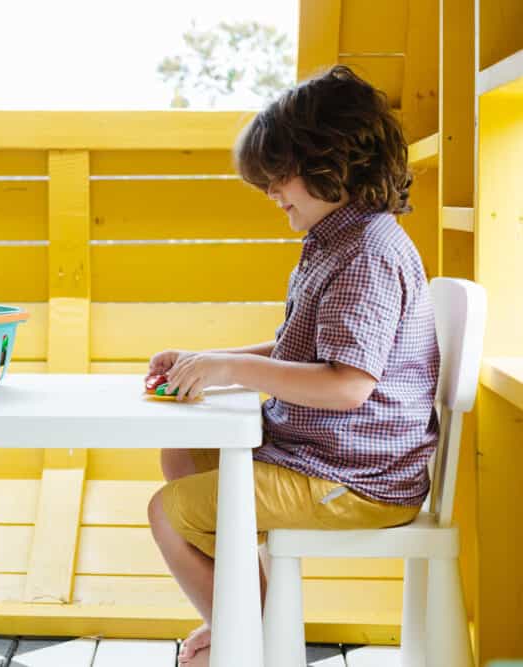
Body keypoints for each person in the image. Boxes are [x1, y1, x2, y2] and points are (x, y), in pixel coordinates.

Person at [147, 66, 438, 666]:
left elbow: (349, 385)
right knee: (182, 454)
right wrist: (211, 362)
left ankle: (245, 641)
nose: (272, 193)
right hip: (324, 455)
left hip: (356, 479)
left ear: (333, 164)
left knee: (168, 515)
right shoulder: (337, 240)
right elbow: (300, 354)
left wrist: (233, 371)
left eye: (281, 178)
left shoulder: (368, 254)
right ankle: (246, 623)